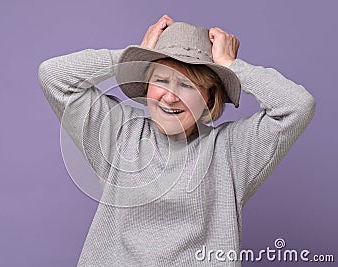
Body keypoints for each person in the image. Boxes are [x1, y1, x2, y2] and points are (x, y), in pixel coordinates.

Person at [38, 15, 315, 267]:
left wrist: (232, 65)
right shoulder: (119, 133)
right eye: (161, 80)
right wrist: (130, 56)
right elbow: (54, 76)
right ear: (146, 86)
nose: (171, 97)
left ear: (209, 97)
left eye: (187, 84)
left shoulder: (231, 151)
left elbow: (297, 105)